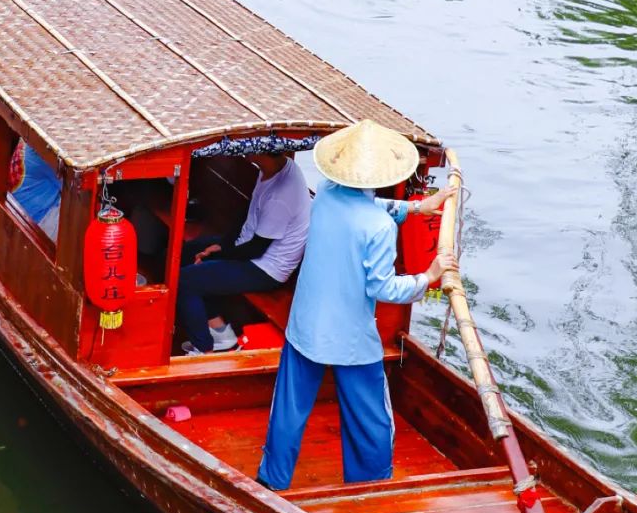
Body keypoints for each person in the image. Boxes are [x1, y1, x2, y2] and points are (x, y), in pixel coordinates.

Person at [257, 120, 454, 489]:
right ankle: (370, 487)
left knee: (288, 410)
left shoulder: (327, 194)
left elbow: (367, 206)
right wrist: (428, 277)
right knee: (371, 422)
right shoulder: (379, 228)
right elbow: (383, 287)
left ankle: (272, 480)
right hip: (349, 338)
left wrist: (415, 209)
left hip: (306, 326)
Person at [177, 151, 312, 355]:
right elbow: (248, 213)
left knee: (185, 281)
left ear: (264, 153)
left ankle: (203, 349)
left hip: (265, 268)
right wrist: (222, 245)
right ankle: (220, 331)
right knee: (187, 252)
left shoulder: (281, 196)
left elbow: (256, 249)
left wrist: (216, 255)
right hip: (249, 247)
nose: (244, 149)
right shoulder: (272, 168)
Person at [9, 141, 62, 241]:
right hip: (38, 222)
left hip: (20, 215)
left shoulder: (30, 139)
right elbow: (76, 189)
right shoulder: (44, 152)